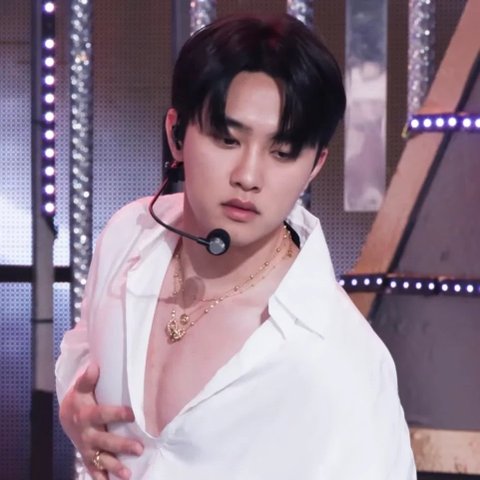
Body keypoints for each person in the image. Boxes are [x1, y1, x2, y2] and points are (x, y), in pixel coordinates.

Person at [56, 13, 416, 480]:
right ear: (177, 135)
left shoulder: (338, 358)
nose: (248, 176)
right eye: (227, 139)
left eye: (282, 152)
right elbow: (83, 350)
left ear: (314, 166)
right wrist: (74, 408)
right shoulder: (129, 235)